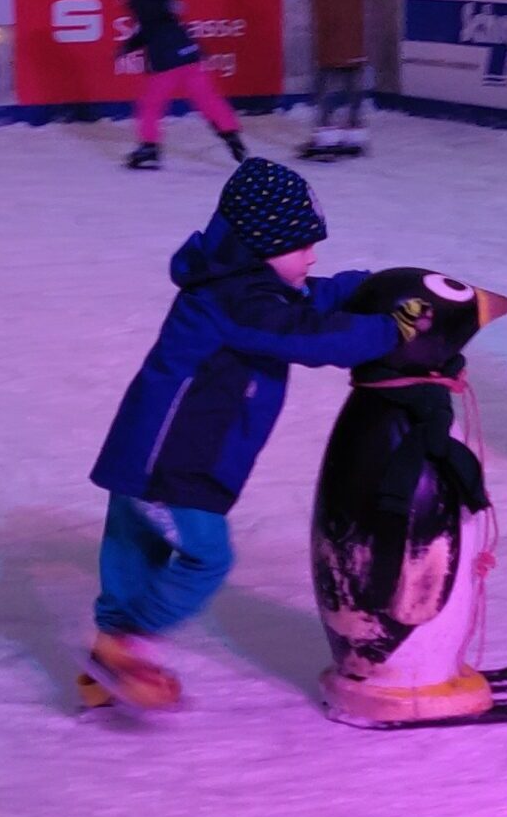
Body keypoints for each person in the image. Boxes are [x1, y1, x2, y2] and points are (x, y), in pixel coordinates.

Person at [79, 157, 413, 709]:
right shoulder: (239, 301)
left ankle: (105, 668)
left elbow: (306, 301)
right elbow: (303, 333)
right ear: (262, 246)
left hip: (145, 453)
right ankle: (124, 647)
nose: (312, 256)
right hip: (173, 464)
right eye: (301, 245)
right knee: (205, 558)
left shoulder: (239, 286)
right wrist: (387, 331)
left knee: (134, 555)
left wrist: (368, 287)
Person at [107, 0, 247, 170]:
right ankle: (231, 137)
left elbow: (148, 28)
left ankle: (149, 148)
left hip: (166, 61)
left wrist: (128, 46)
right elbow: (172, 12)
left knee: (150, 104)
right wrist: (129, 45)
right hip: (189, 53)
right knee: (208, 99)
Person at [257, 0, 370, 158]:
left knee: (324, 86)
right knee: (353, 86)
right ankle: (355, 137)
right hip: (355, 32)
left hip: (331, 32)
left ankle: (325, 139)